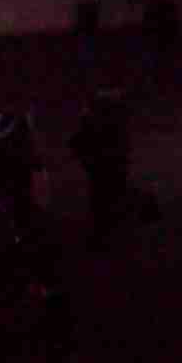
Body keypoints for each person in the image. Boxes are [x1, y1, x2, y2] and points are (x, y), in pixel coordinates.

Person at [68, 89, 132, 248]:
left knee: (105, 201)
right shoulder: (103, 120)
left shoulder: (101, 120)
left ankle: (107, 235)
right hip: (106, 166)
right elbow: (80, 141)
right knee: (106, 200)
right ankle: (109, 234)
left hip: (105, 166)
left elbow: (79, 141)